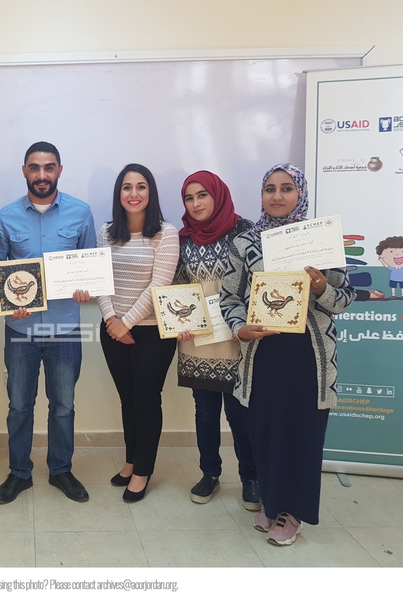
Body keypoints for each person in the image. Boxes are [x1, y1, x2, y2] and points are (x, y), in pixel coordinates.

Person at [220, 163, 355, 546]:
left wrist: (322, 287)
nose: (277, 196)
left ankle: (292, 512)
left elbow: (345, 298)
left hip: (308, 357)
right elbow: (230, 297)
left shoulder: (321, 241)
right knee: (264, 430)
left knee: (301, 434)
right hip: (261, 354)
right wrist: (239, 328)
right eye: (269, 188)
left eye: (286, 188)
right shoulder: (246, 242)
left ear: (301, 193)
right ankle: (273, 500)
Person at [0, 142, 95, 505]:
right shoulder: (5, 217)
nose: (42, 175)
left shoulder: (81, 212)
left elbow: (89, 264)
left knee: (63, 405)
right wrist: (9, 300)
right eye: (34, 167)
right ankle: (19, 473)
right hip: (21, 330)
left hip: (65, 328)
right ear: (25, 171)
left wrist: (86, 287)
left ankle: (60, 470)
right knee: (19, 405)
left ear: (59, 170)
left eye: (49, 167)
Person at [174, 171, 260, 509]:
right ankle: (209, 474)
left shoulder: (245, 232)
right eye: (189, 198)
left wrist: (246, 323)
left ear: (218, 195)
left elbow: (258, 282)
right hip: (199, 341)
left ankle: (250, 477)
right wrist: (177, 323)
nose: (196, 204)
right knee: (205, 413)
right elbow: (178, 289)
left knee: (240, 415)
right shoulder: (184, 240)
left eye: (202, 195)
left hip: (238, 338)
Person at [97, 164, 179, 503]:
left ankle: (143, 470)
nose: (134, 193)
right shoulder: (106, 231)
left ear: (151, 192)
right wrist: (111, 320)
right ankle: (131, 461)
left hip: (152, 333)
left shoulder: (166, 233)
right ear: (119, 193)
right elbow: (100, 280)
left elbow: (158, 286)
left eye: (141, 186)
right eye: (127, 187)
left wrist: (126, 323)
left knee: (145, 401)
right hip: (112, 329)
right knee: (127, 399)